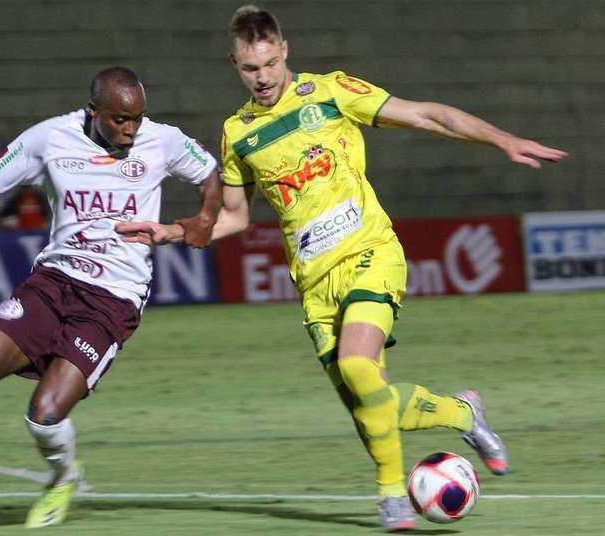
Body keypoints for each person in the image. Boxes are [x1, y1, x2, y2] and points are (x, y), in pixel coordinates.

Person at [116, 5, 568, 531]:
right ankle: (462, 414)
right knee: (368, 407)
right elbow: (234, 219)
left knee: (358, 366)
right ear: (234, 64)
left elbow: (427, 115)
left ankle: (391, 496)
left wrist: (503, 140)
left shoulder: (330, 92)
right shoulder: (237, 133)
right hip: (314, 284)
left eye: (268, 63)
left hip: (369, 253)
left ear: (284, 51)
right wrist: (173, 231)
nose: (261, 77)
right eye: (248, 68)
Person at [0, 66, 222, 530]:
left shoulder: (162, 140)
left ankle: (65, 477)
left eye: (137, 118)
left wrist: (205, 218)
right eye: (120, 120)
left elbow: (211, 175)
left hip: (114, 299)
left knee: (44, 417)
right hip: (52, 283)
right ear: (94, 112)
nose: (131, 129)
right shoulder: (50, 138)